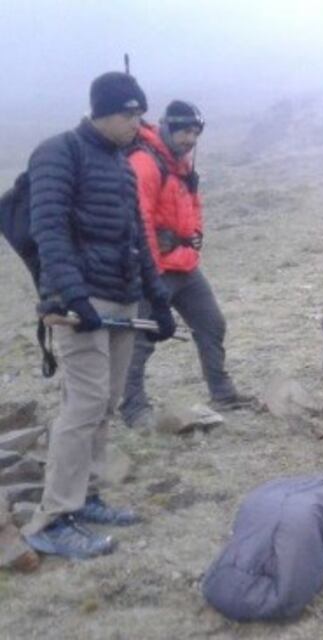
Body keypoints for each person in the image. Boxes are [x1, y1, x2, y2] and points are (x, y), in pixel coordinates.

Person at [23, 72, 176, 559]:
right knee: (84, 404)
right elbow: (49, 230)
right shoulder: (59, 152)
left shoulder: (122, 165)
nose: (137, 123)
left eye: (140, 115)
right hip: (81, 303)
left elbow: (139, 238)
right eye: (129, 114)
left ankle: (86, 497)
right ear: (103, 111)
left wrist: (158, 300)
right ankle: (52, 518)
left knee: (105, 403)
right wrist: (74, 297)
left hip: (122, 298)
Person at [120, 100, 254, 428]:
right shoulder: (145, 163)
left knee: (211, 323)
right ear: (167, 126)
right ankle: (134, 408)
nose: (190, 139)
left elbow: (193, 202)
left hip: (184, 265)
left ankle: (222, 392)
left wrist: (195, 236)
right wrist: (150, 270)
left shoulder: (180, 162)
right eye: (184, 131)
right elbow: (139, 221)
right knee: (141, 340)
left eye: (195, 133)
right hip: (155, 269)